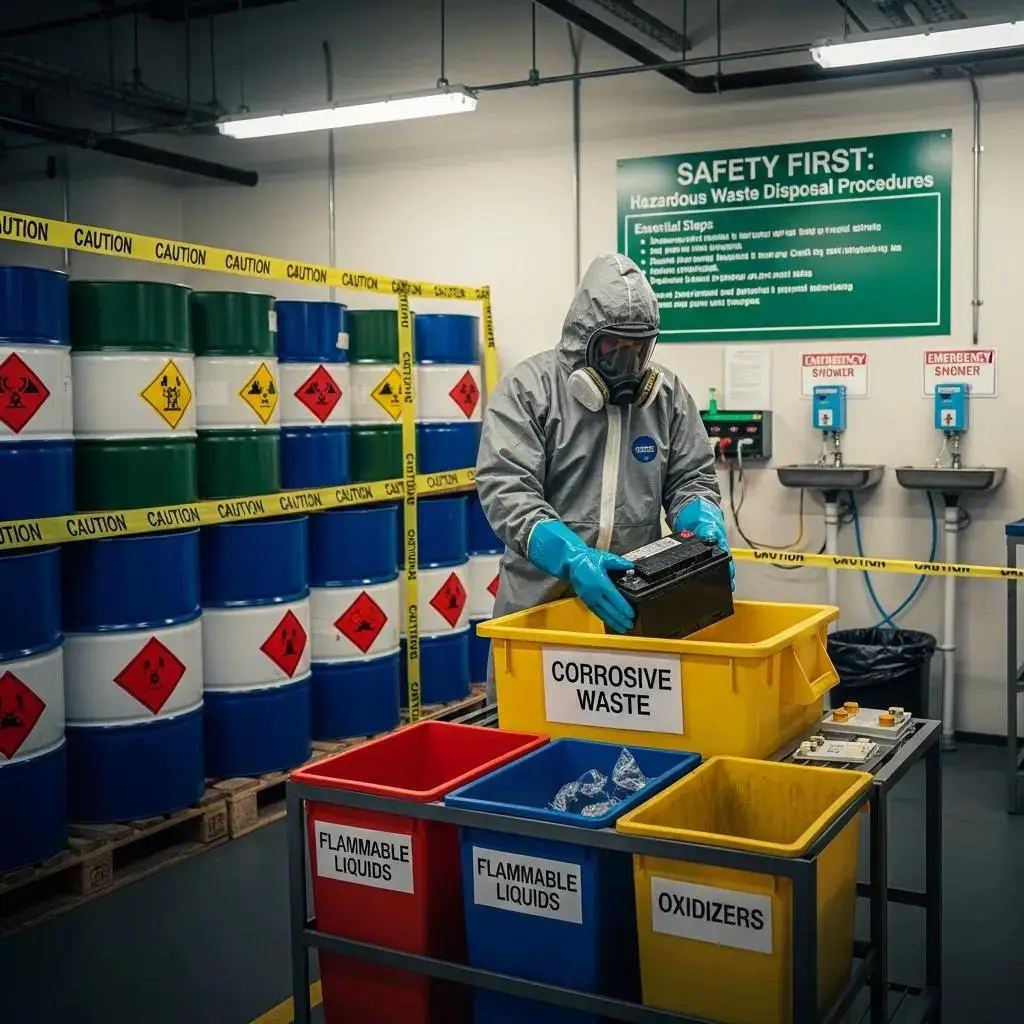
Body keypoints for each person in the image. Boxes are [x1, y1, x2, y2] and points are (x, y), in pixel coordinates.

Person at [476, 252, 733, 700]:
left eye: (639, 347)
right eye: (613, 346)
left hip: (637, 602)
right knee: (532, 734)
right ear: (584, 340)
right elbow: (507, 488)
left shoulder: (665, 396)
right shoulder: (529, 389)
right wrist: (573, 558)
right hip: (541, 603)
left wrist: (702, 526)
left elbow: (691, 476)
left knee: (635, 738)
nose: (627, 364)